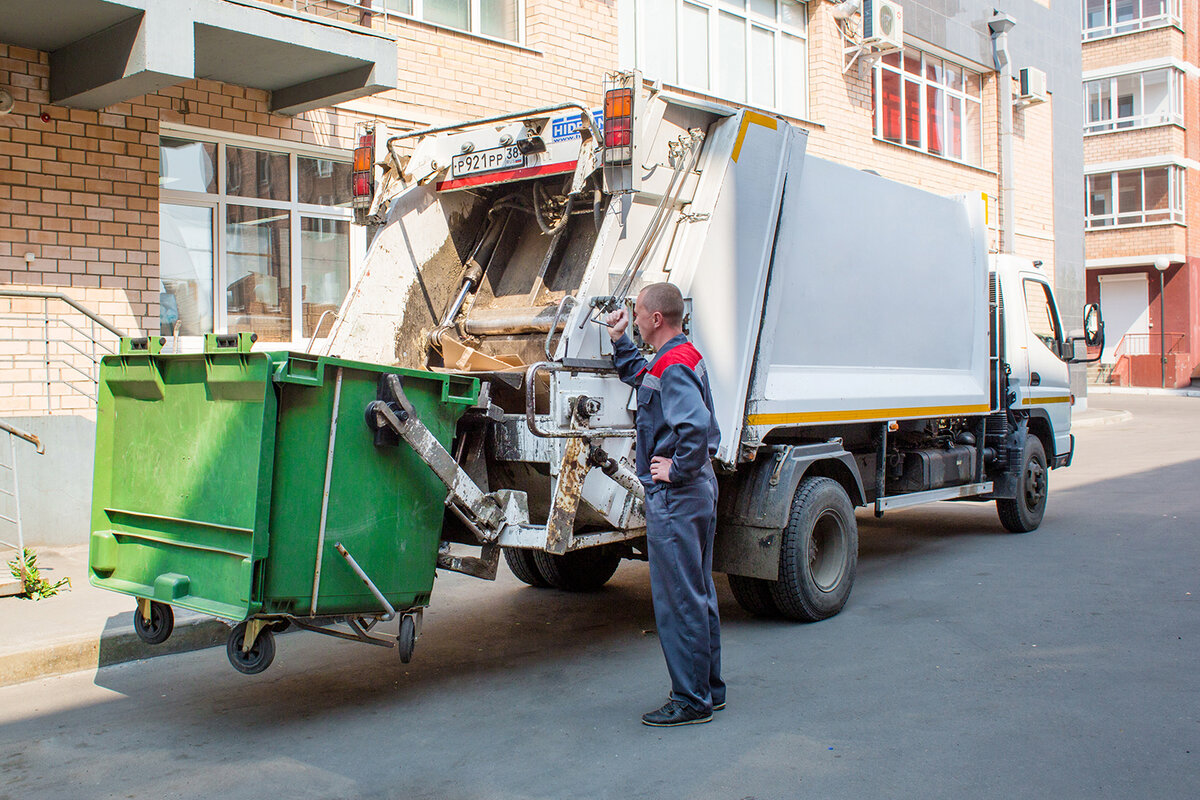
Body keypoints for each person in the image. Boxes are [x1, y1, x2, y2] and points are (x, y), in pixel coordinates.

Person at [606, 282, 725, 727]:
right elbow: (643, 378)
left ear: (656, 318)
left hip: (678, 496)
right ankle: (709, 689)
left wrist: (675, 469)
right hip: (696, 491)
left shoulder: (673, 365)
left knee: (678, 600)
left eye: (637, 313)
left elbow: (695, 426)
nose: (634, 317)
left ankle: (691, 700)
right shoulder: (679, 355)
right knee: (697, 592)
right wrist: (620, 339)